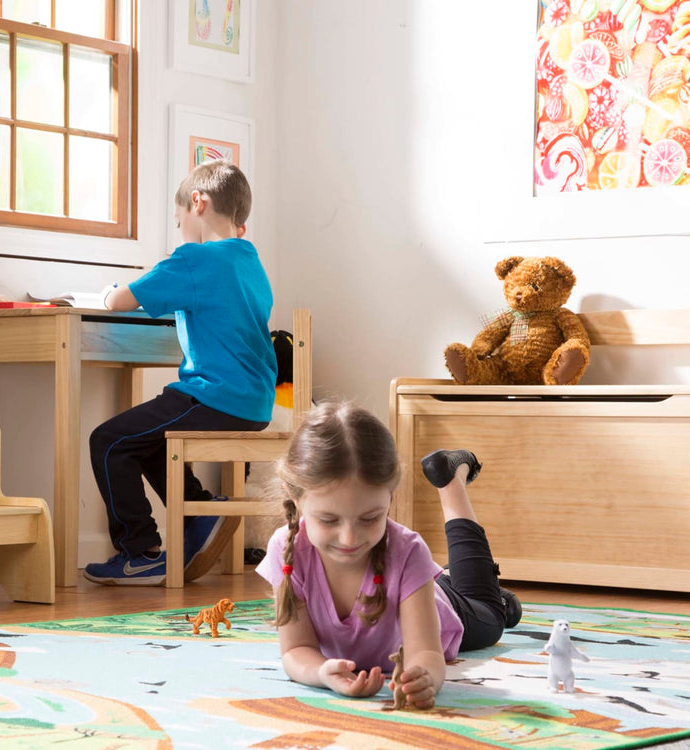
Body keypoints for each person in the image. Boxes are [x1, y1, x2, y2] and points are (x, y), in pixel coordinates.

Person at [84, 160, 277, 586]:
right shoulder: (249, 260)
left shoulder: (194, 258)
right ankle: (200, 514)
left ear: (197, 202)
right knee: (146, 438)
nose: (181, 231)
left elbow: (120, 302)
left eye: (179, 221)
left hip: (214, 394)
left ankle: (138, 553)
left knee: (109, 440)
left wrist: (105, 290)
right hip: (254, 400)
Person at [256, 400, 521, 709]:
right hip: (411, 583)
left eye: (369, 518)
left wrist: (424, 677)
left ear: (390, 497)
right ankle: (446, 577)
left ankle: (452, 483)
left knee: (493, 615)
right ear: (296, 499)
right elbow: (296, 649)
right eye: (328, 520)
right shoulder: (286, 549)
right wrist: (321, 672)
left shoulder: (408, 550)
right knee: (447, 582)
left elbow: (427, 653)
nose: (350, 538)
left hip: (445, 608)